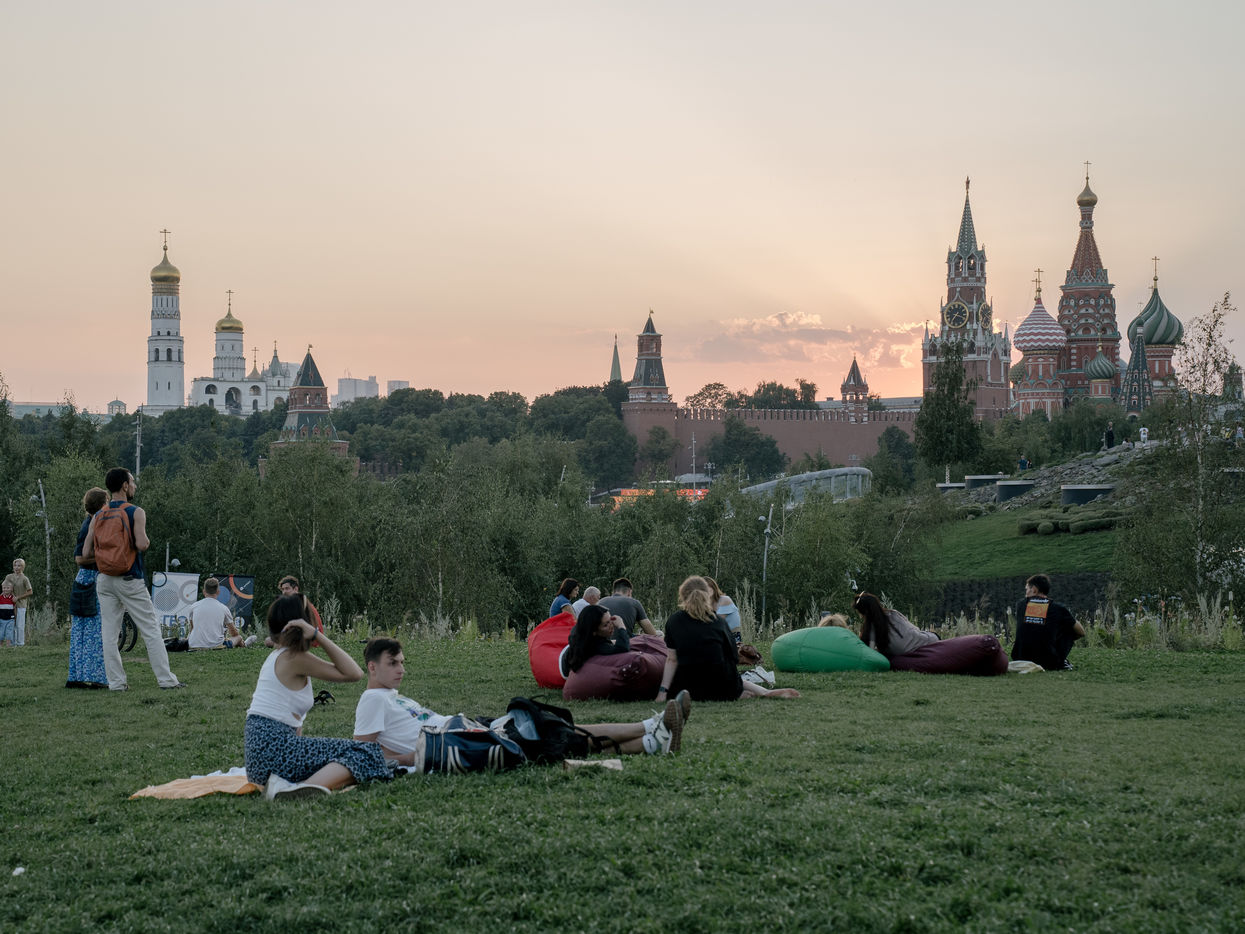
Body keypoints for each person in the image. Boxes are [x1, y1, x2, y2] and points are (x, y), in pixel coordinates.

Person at [354, 638, 688, 763]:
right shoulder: (372, 700)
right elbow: (364, 751)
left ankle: (652, 739)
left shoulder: (389, 696)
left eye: (402, 662)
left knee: (553, 731)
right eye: (393, 663)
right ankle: (650, 728)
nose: (401, 669)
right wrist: (414, 758)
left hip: (466, 730)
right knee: (553, 734)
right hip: (455, 742)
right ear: (372, 667)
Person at [245, 594, 392, 799]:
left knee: (361, 756)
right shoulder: (293, 658)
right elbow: (354, 673)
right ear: (302, 623)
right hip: (274, 753)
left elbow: (292, 725)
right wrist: (317, 636)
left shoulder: (280, 656)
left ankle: (294, 786)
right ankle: (299, 789)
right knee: (367, 752)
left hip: (261, 761)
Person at [83, 468, 184, 691]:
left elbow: (85, 551)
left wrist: (107, 556)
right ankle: (166, 680)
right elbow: (142, 544)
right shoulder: (135, 511)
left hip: (105, 579)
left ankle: (117, 683)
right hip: (130, 578)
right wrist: (143, 541)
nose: (135, 486)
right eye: (132, 482)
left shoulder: (98, 515)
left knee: (109, 633)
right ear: (125, 486)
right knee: (150, 629)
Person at [657, 576, 799, 702]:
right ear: (707, 596)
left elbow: (672, 660)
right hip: (723, 687)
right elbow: (733, 657)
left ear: (683, 596)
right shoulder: (718, 622)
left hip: (688, 690)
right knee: (724, 671)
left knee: (692, 671)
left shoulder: (674, 621)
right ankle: (761, 692)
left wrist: (662, 693)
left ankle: (744, 693)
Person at [67, 488, 109, 688]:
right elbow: (79, 558)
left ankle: (78, 675)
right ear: (102, 504)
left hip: (86, 581)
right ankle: (96, 677)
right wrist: (107, 556)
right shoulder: (89, 526)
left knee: (82, 631)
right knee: (94, 630)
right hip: (90, 580)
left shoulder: (91, 522)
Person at [1012, 574, 1086, 671]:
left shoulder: (1021, 605)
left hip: (1019, 657)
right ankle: (1060, 661)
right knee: (1069, 629)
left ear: (1034, 590)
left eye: (1027, 589)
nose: (1025, 594)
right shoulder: (1058, 608)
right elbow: (1081, 632)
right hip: (1048, 662)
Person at [852, 592, 939, 658]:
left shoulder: (870, 628)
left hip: (908, 648)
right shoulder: (893, 614)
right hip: (920, 642)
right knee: (934, 635)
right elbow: (914, 629)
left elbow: (870, 651)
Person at [188, 578, 249, 649]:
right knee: (238, 637)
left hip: (193, 644)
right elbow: (233, 632)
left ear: (204, 591)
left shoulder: (193, 606)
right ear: (218, 592)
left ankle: (244, 643)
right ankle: (244, 645)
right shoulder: (223, 608)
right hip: (216, 645)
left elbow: (192, 629)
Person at [3, 558, 34, 647]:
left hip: (21, 604)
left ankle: (20, 644)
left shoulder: (25, 579)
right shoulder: (9, 577)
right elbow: (4, 587)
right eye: (15, 565)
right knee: (11, 624)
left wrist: (18, 597)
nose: (16, 567)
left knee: (20, 625)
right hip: (9, 604)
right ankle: (12, 644)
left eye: (19, 566)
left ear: (23, 567)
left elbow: (30, 592)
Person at [0, 581, 15, 647]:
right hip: (1, 619)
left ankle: (8, 646)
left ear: (11, 589)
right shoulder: (0, 598)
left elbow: (15, 607)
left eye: (8, 588)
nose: (6, 589)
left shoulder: (13, 598)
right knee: (1, 633)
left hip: (10, 619)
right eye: (4, 588)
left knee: (9, 633)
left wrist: (15, 617)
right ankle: (0, 645)